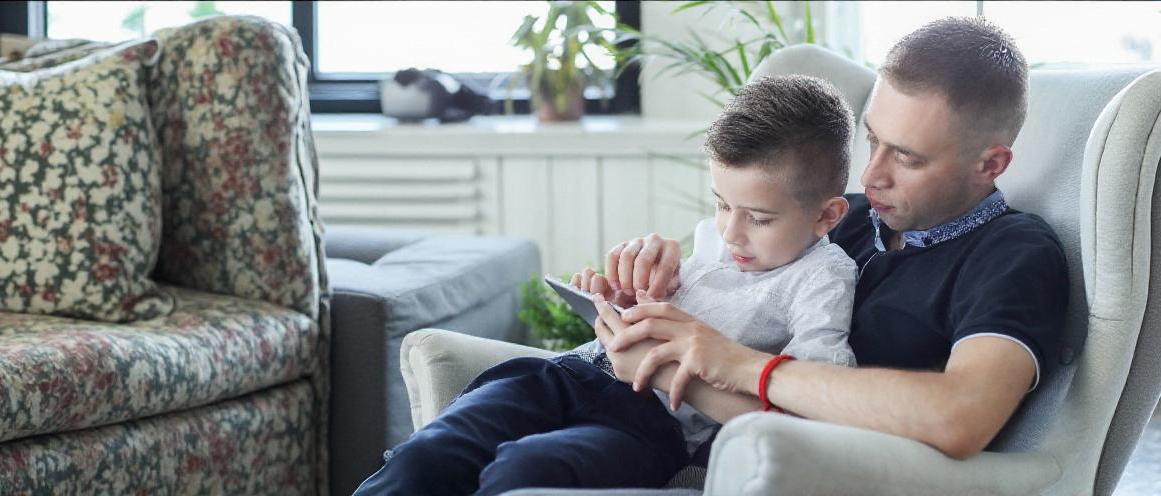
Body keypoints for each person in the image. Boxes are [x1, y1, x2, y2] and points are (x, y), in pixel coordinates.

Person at [594, 16, 1075, 464]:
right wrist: (660, 274)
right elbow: (728, 277)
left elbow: (960, 417)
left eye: (906, 158)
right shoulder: (841, 216)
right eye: (872, 140)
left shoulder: (1015, 253)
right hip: (705, 446)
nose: (870, 175)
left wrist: (739, 365)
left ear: (990, 165)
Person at [353, 75, 860, 496]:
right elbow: (668, 303)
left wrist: (677, 365)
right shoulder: (717, 242)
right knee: (423, 460)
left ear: (826, 215)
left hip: (646, 426)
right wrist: (627, 300)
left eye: (759, 218)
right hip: (567, 374)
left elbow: (819, 399)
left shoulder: (822, 277)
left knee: (527, 473)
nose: (730, 231)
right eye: (722, 204)